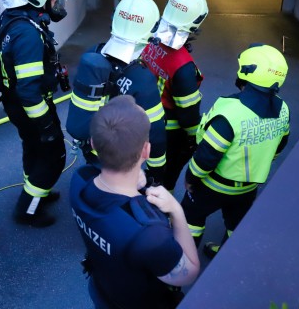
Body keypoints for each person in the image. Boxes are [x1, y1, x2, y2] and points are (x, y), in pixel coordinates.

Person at [69, 95, 200, 309]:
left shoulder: (80, 180)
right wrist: (177, 210)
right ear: (146, 151)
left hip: (102, 291)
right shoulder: (150, 234)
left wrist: (135, 183)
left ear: (93, 143)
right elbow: (189, 273)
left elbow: (108, 192)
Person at [180, 44, 290, 258]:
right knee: (236, 226)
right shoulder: (284, 108)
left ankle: (182, 264)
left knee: (190, 219)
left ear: (246, 73)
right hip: (248, 188)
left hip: (213, 185)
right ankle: (225, 260)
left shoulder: (230, 112)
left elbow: (206, 156)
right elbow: (280, 145)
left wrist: (191, 178)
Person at [0, 0, 73, 227]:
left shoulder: (13, 16)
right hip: (31, 106)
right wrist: (47, 125)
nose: (59, 5)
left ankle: (37, 190)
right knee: (53, 156)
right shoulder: (27, 34)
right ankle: (28, 209)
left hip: (15, 104)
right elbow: (29, 92)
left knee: (32, 147)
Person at [67, 0, 167, 184]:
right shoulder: (143, 79)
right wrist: (157, 169)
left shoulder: (94, 53)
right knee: (114, 196)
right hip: (119, 156)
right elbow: (155, 132)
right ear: (151, 33)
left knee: (97, 185)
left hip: (91, 145)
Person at [140, 0, 209, 192]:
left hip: (143, 115)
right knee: (167, 174)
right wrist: (192, 138)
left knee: (148, 166)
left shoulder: (150, 38)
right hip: (169, 130)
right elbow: (188, 115)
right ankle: (160, 211)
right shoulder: (183, 66)